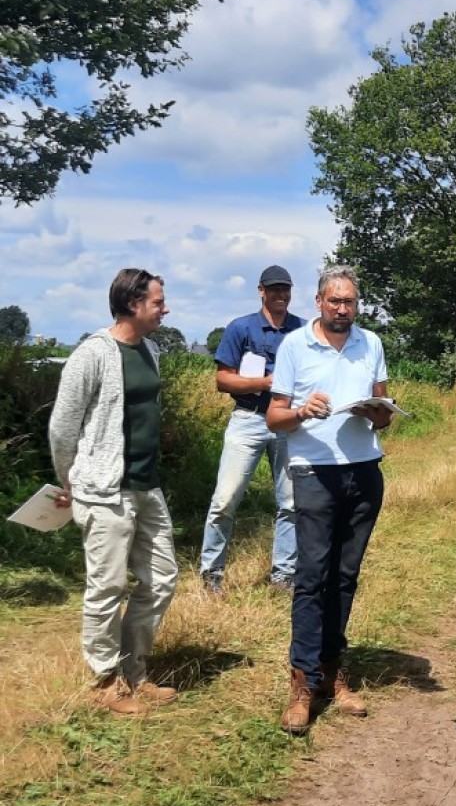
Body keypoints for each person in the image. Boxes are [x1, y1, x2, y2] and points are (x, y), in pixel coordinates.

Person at [266, 265, 394, 734]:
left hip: (364, 470)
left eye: (350, 301)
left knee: (345, 576)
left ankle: (332, 673)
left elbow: (384, 413)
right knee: (312, 577)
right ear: (319, 302)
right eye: (335, 300)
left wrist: (377, 412)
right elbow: (274, 418)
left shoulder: (370, 343)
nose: (343, 308)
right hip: (314, 471)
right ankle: (302, 682)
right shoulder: (295, 345)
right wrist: (302, 411)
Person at [49, 269, 180, 717]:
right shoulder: (92, 354)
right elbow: (63, 426)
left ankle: (134, 671)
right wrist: (69, 480)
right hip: (104, 489)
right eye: (158, 302)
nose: (165, 309)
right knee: (106, 586)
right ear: (132, 304)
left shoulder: (150, 350)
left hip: (147, 486)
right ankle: (105, 682)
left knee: (161, 578)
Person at [199, 265, 306, 595]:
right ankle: (211, 575)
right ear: (261, 291)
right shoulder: (241, 328)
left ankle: (283, 576)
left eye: (285, 289)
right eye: (274, 289)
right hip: (248, 419)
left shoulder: (303, 330)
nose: (281, 294)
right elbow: (222, 379)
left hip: (288, 422)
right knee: (225, 499)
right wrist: (265, 383)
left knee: (291, 502)